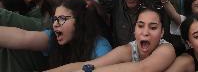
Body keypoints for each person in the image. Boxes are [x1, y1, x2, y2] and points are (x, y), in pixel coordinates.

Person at [46, 7, 176, 72]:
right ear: (134, 30)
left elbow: (143, 68)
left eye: (153, 27)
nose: (145, 32)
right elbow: (92, 64)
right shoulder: (128, 49)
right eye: (140, 26)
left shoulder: (166, 49)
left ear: (162, 32)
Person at [0, 0, 111, 69]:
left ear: (80, 20)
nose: (55, 24)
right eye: (54, 19)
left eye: (62, 19)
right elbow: (23, 37)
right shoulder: (52, 37)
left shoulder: (100, 47)